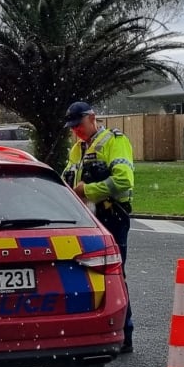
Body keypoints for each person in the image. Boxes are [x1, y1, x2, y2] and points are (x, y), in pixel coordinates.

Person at [62, 101, 135, 353]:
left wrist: (88, 190)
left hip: (112, 214)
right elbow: (67, 180)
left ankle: (125, 333)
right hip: (86, 219)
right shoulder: (77, 148)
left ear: (92, 118)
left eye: (79, 125)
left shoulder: (115, 141)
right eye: (72, 128)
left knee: (114, 274)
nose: (77, 131)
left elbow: (124, 181)